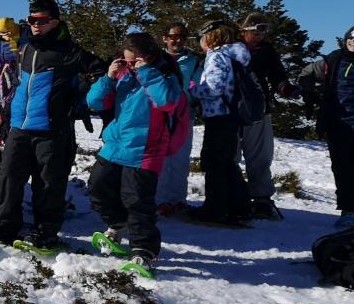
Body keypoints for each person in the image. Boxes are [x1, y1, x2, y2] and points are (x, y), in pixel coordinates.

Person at [0, 0, 106, 252]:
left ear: (55, 22)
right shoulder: (25, 47)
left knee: (48, 181)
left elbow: (99, 71)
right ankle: (5, 225)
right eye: (31, 20)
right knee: (8, 176)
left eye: (41, 21)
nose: (35, 25)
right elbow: (17, 82)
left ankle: (45, 231)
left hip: (51, 129)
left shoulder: (68, 51)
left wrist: (75, 95)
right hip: (19, 126)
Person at [86, 33, 182, 274]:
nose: (128, 66)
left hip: (146, 149)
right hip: (115, 143)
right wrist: (108, 76)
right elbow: (95, 102)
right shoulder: (123, 74)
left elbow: (167, 102)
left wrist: (147, 72)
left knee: (137, 200)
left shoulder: (166, 75)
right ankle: (117, 225)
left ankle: (143, 250)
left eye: (132, 61)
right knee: (98, 186)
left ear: (146, 57)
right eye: (125, 61)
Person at [298, 22, 354, 227]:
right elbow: (306, 72)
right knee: (342, 167)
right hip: (337, 123)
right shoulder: (335, 59)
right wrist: (307, 89)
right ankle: (350, 209)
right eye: (351, 35)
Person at [189, 20, 253, 225]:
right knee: (226, 162)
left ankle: (215, 209)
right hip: (231, 114)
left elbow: (213, 88)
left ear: (210, 37)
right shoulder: (234, 55)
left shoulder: (217, 56)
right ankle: (238, 208)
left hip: (219, 115)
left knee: (214, 161)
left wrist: (192, 90)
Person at [239, 12, 295, 220]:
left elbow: (277, 75)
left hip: (259, 110)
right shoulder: (229, 49)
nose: (260, 34)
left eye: (264, 29)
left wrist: (284, 88)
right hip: (231, 111)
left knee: (260, 158)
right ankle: (231, 195)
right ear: (244, 30)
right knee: (230, 157)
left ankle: (261, 199)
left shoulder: (267, 51)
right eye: (256, 29)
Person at [155, 23, 202, 215]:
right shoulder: (155, 59)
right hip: (160, 114)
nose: (178, 40)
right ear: (165, 38)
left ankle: (177, 200)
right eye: (173, 36)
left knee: (181, 158)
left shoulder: (193, 60)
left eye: (182, 36)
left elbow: (199, 83)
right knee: (161, 158)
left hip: (183, 114)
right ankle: (159, 200)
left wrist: (192, 99)